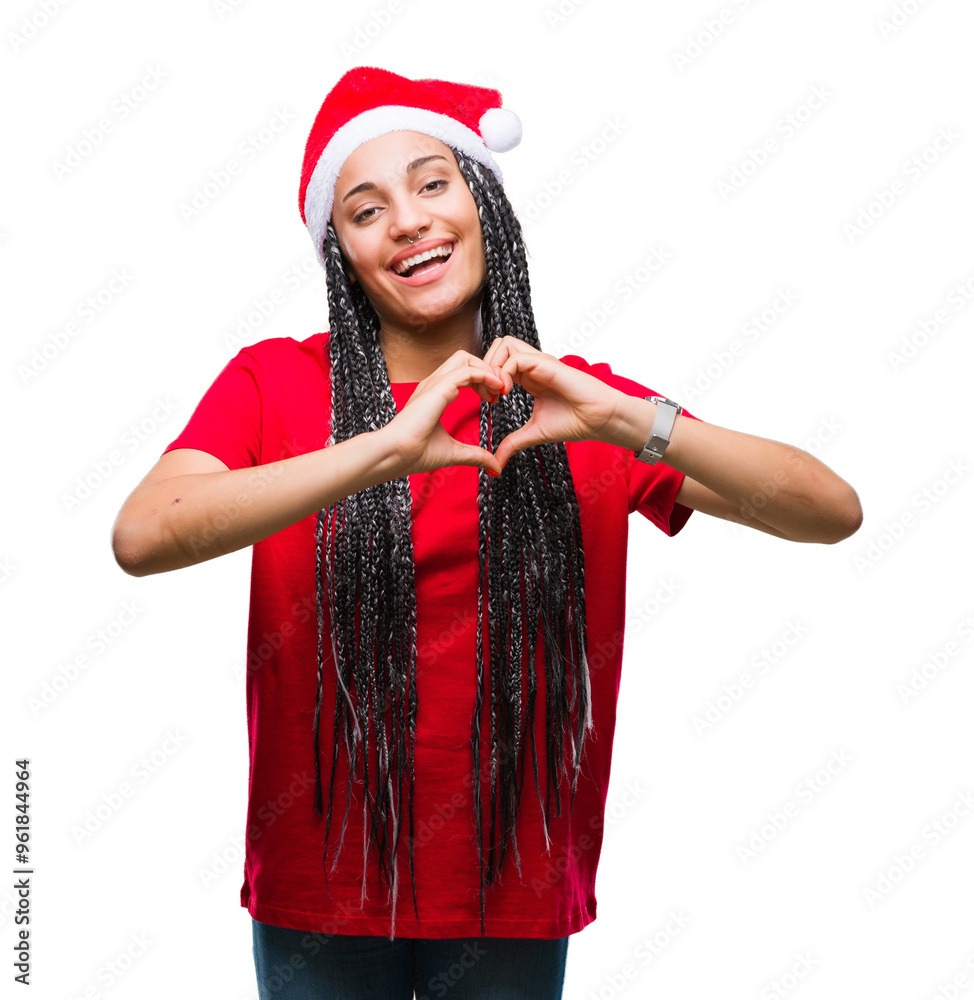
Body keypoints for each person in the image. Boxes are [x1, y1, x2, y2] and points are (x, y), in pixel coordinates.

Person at [111, 66, 862, 1000]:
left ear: (484, 206)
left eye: (433, 183)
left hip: (514, 884)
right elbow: (145, 534)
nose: (410, 220)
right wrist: (381, 451)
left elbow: (830, 512)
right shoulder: (275, 384)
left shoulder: (574, 404)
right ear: (342, 253)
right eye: (366, 208)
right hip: (324, 893)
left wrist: (631, 421)